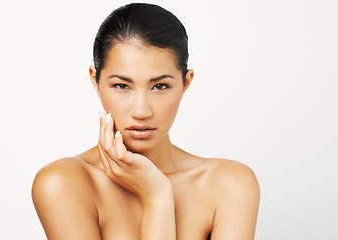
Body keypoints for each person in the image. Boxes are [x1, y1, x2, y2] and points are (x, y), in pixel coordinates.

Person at [32, 3, 260, 240]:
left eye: (160, 86)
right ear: (95, 80)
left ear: (186, 83)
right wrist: (157, 197)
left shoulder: (230, 185)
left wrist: (156, 193)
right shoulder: (63, 183)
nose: (141, 111)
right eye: (121, 86)